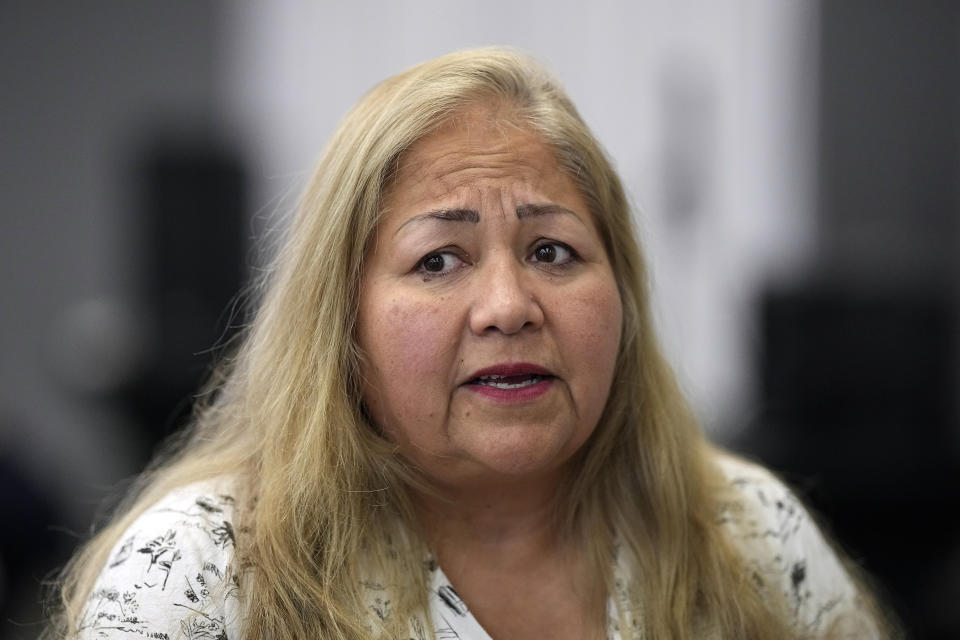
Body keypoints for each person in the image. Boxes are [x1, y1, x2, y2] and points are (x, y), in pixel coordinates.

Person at [46, 48, 891, 639]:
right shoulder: (195, 577)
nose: (507, 307)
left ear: (624, 296)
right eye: (439, 259)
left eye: (552, 251)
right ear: (342, 322)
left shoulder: (752, 538)